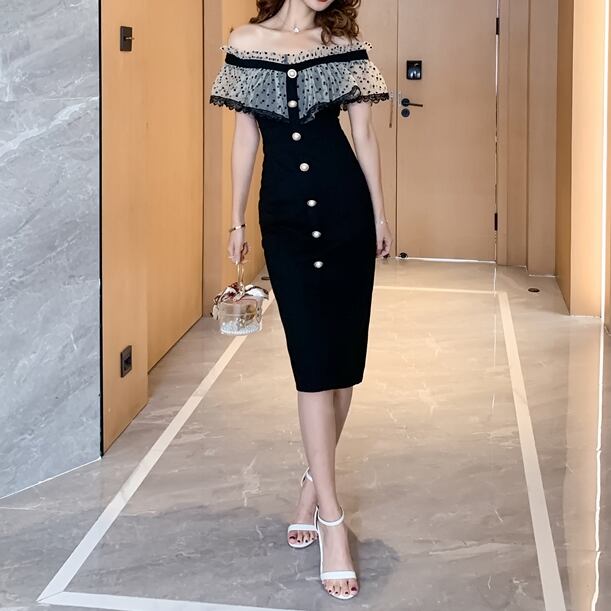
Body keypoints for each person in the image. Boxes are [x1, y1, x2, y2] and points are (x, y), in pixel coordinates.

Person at [209, 0, 391, 600]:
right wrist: (236, 219)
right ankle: (332, 522)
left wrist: (380, 215)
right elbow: (245, 136)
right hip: (284, 218)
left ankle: (313, 486)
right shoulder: (245, 41)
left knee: (342, 368)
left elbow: (364, 136)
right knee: (312, 367)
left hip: (346, 214)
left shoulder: (343, 46)